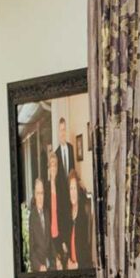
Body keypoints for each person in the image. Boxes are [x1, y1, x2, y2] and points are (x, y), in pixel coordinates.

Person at [51, 114, 83, 269]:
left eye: (64, 130)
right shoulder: (55, 154)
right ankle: (66, 250)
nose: (63, 133)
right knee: (65, 223)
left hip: (72, 196)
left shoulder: (70, 148)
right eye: (61, 131)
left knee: (74, 224)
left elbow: (73, 172)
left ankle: (74, 252)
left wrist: (78, 185)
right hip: (63, 198)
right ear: (58, 133)